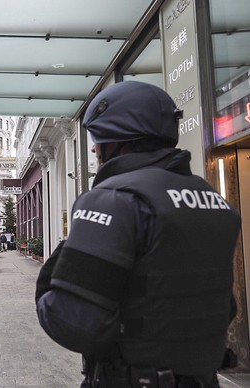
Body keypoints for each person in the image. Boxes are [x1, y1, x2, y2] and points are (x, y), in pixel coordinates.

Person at [35, 81, 240, 387]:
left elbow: (73, 322)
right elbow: (224, 307)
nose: (93, 148)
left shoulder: (113, 199)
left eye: (99, 138)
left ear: (119, 141)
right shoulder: (212, 199)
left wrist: (55, 270)